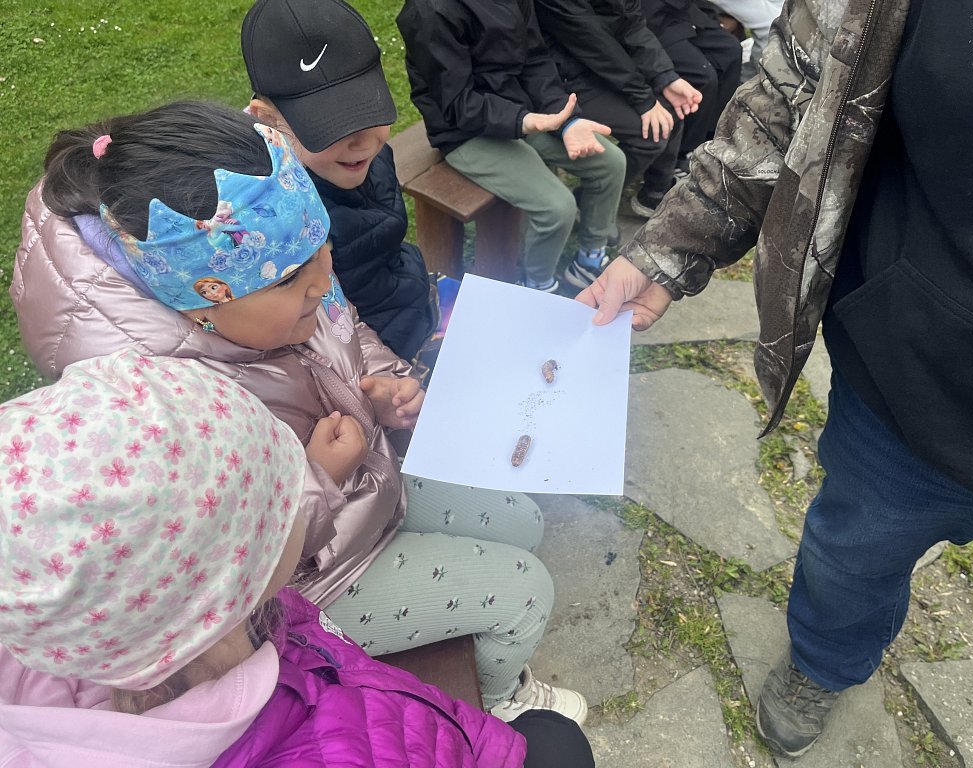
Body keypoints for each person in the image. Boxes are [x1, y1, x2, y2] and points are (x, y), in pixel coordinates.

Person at [11, 101, 588, 724]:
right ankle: (501, 702)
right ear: (197, 304)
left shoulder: (270, 276)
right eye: (292, 278)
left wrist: (381, 383)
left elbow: (341, 325)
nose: (322, 280)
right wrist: (317, 478)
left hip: (367, 484)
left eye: (324, 248)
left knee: (524, 520)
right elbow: (225, 579)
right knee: (524, 591)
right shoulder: (158, 408)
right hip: (304, 589)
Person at [576, 0, 973, 764]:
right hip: (912, 381)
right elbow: (792, 94)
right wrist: (669, 246)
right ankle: (824, 660)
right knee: (848, 561)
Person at [0, 350, 596, 768]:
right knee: (558, 742)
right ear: (235, 578)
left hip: (372, 705)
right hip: (418, 736)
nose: (299, 496)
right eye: (286, 493)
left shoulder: (82, 622)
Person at [239, 0, 435, 363]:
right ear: (269, 121)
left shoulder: (359, 158)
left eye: (369, 110)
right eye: (332, 128)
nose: (364, 143)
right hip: (374, 355)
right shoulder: (272, 222)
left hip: (410, 307)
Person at [396, 0, 627, 293]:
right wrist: (524, 121)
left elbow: (535, 58)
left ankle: (588, 262)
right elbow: (457, 104)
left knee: (611, 163)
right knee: (556, 207)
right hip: (463, 131)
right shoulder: (430, 11)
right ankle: (537, 286)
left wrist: (566, 121)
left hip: (519, 110)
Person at [531, 0, 703, 218]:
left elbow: (632, 22)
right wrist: (643, 98)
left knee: (671, 111)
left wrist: (664, 76)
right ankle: (588, 204)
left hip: (599, 68)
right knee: (649, 135)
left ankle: (655, 193)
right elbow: (592, 41)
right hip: (562, 80)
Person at [638, 0, 742, 167]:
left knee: (732, 51)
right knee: (703, 76)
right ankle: (685, 151)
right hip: (652, 19)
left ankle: (714, 136)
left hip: (684, 11)